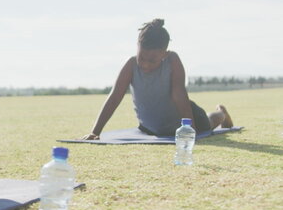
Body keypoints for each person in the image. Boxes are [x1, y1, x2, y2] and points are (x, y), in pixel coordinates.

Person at [82, 19, 233, 140]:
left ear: (164, 54)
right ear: (137, 47)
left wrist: (191, 130)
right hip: (150, 127)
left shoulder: (172, 59)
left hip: (183, 120)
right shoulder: (131, 65)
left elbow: (179, 95)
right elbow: (115, 97)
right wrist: (95, 132)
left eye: (153, 60)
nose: (146, 65)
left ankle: (222, 113)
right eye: (142, 58)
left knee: (210, 121)